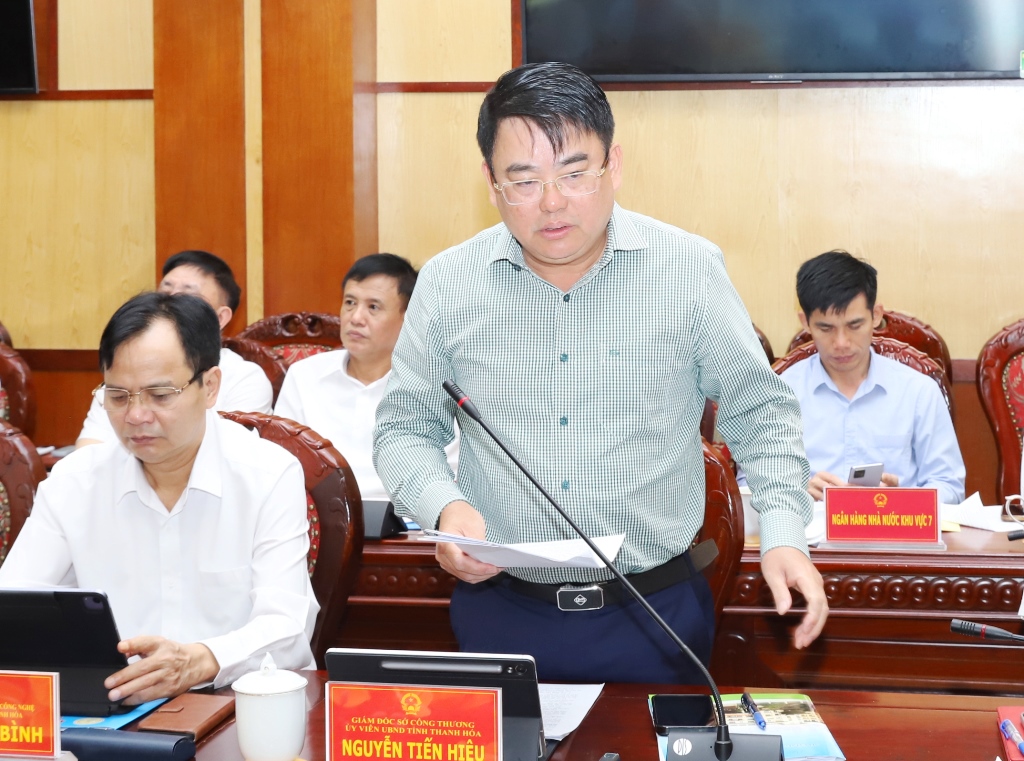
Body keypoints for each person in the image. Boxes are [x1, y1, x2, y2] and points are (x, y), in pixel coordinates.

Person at [373, 61, 827, 684]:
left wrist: (784, 534)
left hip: (654, 614)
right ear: (491, 182)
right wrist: (445, 508)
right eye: (523, 179)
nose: (552, 202)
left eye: (574, 172)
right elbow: (404, 428)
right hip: (501, 609)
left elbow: (762, 414)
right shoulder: (449, 283)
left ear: (614, 165)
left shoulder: (687, 270)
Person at [0, 292, 317, 703]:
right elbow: (14, 606)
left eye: (160, 395)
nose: (136, 416)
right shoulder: (74, 483)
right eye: (118, 396)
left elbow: (287, 627)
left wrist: (200, 660)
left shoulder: (268, 475)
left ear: (210, 387)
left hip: (235, 705)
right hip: (111, 707)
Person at [781, 250, 966, 504]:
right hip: (809, 529)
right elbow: (748, 486)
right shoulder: (780, 394)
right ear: (805, 322)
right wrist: (799, 493)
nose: (841, 343)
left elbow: (951, 487)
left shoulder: (919, 392)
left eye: (854, 325)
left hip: (896, 527)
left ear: (876, 315)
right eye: (826, 328)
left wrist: (899, 500)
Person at [274, 253, 456, 501]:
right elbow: (280, 459)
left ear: (409, 318)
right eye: (350, 303)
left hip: (406, 517)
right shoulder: (304, 375)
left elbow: (450, 473)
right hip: (322, 516)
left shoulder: (434, 385)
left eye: (373, 307)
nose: (355, 318)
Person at [75, 250, 273, 447]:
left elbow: (236, 452)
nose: (171, 304)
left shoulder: (245, 378)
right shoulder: (126, 370)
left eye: (161, 395)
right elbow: (89, 447)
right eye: (165, 293)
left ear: (219, 318)